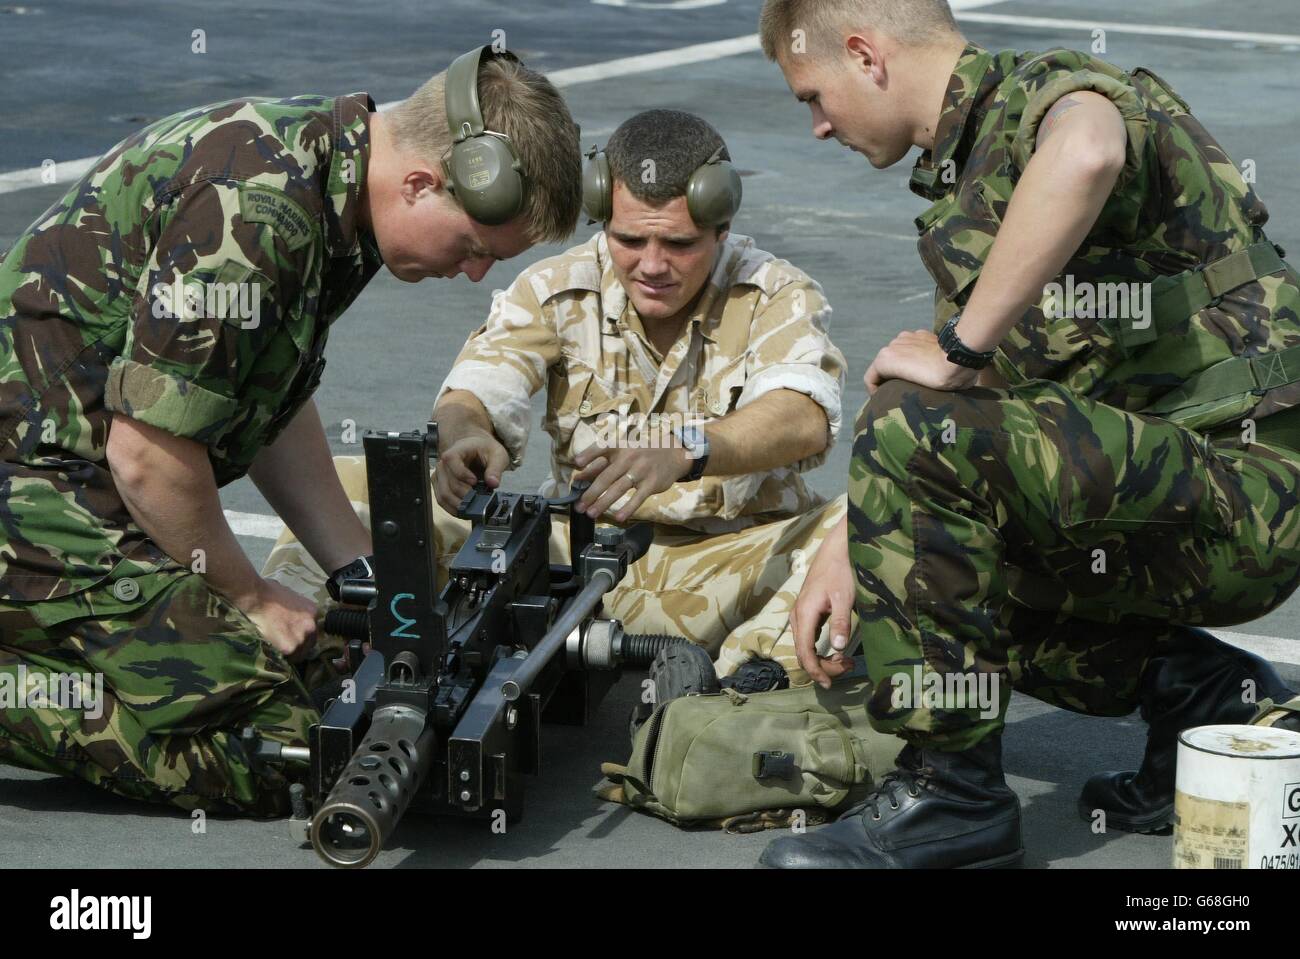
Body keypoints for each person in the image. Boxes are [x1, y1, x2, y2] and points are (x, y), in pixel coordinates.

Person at [755, 0, 1300, 868]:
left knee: (914, 429)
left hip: (1250, 488)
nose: (819, 126)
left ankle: (953, 800)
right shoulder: (969, 178)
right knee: (923, 582)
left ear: (866, 55)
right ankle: (1204, 694)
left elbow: (1089, 151)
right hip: (1170, 498)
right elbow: (978, 419)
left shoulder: (1046, 94)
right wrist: (854, 540)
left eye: (813, 96)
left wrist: (961, 343)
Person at [0, 46, 583, 816]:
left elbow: (271, 405)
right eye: (474, 247)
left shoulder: (325, 179)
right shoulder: (257, 210)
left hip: (92, 484)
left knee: (338, 668)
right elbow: (146, 455)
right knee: (288, 747)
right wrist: (247, 596)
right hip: (42, 502)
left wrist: (367, 578)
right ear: (420, 184)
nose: (473, 274)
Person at [264, 109, 849, 695]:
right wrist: (466, 435)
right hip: (575, 562)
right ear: (602, 220)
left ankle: (734, 704)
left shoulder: (775, 293)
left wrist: (686, 449)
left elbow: (803, 416)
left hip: (733, 564)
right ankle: (298, 672)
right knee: (350, 488)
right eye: (628, 239)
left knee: (866, 529)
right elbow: (476, 387)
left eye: (678, 243)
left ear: (722, 231)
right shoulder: (557, 288)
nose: (651, 265)